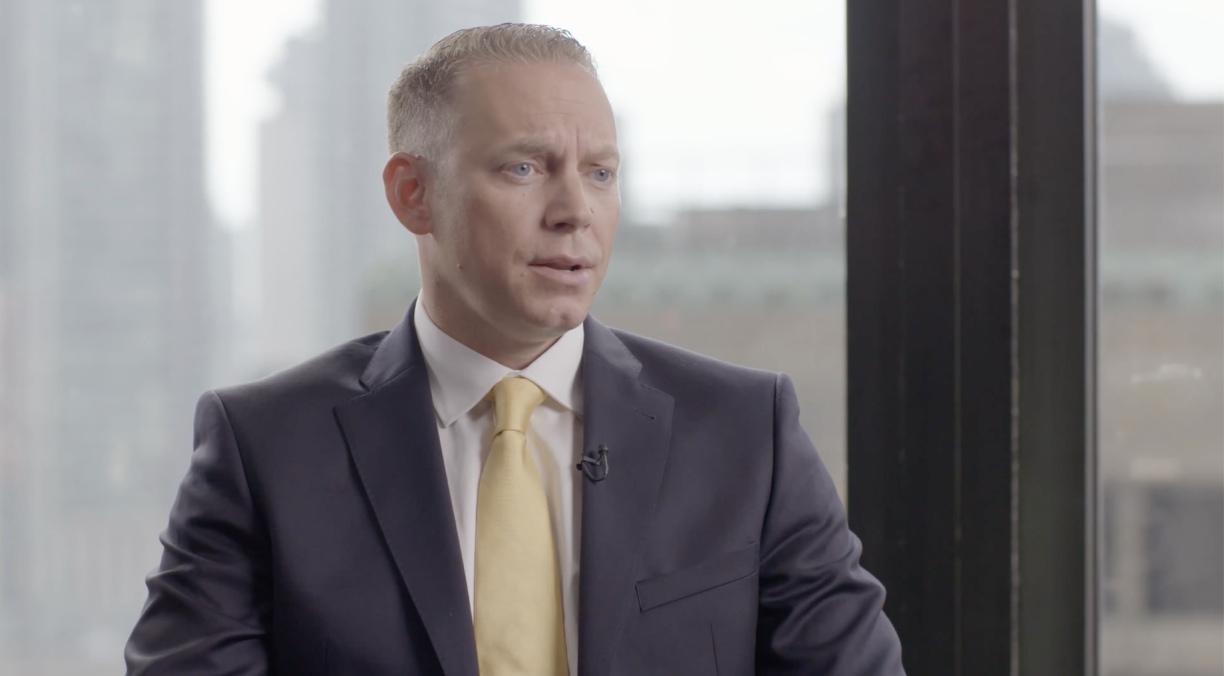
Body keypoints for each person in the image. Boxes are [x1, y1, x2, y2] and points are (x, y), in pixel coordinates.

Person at [125, 23, 904, 676]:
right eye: (524, 168)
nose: (575, 210)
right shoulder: (265, 449)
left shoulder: (746, 432)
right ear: (413, 194)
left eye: (600, 173)